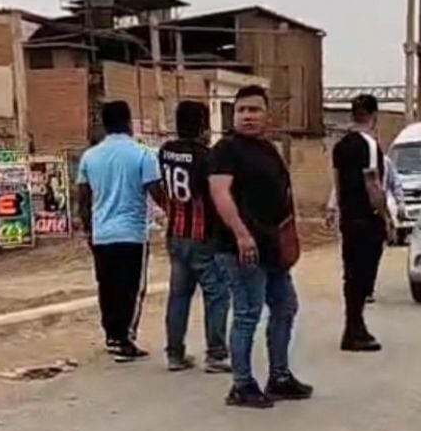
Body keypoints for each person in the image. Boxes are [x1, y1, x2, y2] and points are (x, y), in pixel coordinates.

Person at [210, 85, 312, 409]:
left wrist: (289, 235)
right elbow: (220, 193)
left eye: (254, 110)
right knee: (247, 313)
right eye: (241, 110)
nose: (247, 116)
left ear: (267, 114)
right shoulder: (225, 149)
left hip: (271, 247)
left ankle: (279, 377)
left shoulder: (267, 149)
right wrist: (241, 234)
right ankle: (241, 384)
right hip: (240, 247)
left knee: (285, 306)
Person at [76, 100, 166, 361]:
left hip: (102, 233)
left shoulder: (90, 156)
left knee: (107, 286)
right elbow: (156, 192)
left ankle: (112, 335)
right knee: (132, 288)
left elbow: (83, 198)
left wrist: (88, 231)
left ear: (104, 125)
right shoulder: (142, 154)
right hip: (132, 233)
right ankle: (125, 338)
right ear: (129, 122)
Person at [158, 100, 232, 374]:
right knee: (217, 293)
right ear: (202, 125)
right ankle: (215, 354)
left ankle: (175, 354)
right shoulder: (206, 157)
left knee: (179, 295)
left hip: (175, 232)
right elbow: (213, 196)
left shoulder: (166, 152)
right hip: (202, 235)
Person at [331, 94, 395, 351]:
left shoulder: (340, 145)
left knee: (351, 274)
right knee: (364, 274)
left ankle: (353, 325)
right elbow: (373, 183)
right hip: (366, 218)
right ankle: (355, 328)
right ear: (374, 115)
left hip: (348, 217)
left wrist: (338, 209)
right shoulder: (369, 145)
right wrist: (386, 216)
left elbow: (336, 180)